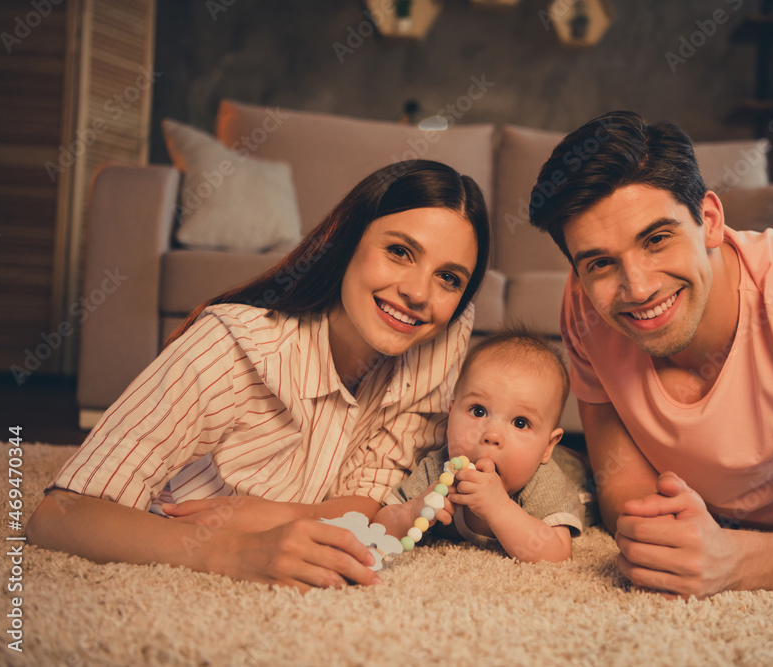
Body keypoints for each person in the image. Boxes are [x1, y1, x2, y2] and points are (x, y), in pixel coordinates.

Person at [26, 160, 491, 593]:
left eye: (449, 278)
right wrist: (236, 551)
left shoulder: (440, 337)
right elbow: (57, 516)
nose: (418, 293)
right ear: (347, 241)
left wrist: (272, 517)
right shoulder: (230, 347)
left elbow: (365, 503)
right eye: (399, 251)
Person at [527, 111, 773, 599]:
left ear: (711, 221)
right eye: (600, 263)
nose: (637, 288)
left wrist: (733, 559)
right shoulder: (583, 304)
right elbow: (623, 487)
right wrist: (659, 535)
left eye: (657, 239)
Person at [374, 330, 583, 562]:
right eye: (478, 411)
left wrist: (499, 507)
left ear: (547, 447)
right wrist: (412, 512)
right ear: (451, 415)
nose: (492, 435)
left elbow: (557, 553)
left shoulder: (542, 480)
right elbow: (380, 525)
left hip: (577, 472)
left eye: (520, 423)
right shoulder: (437, 470)